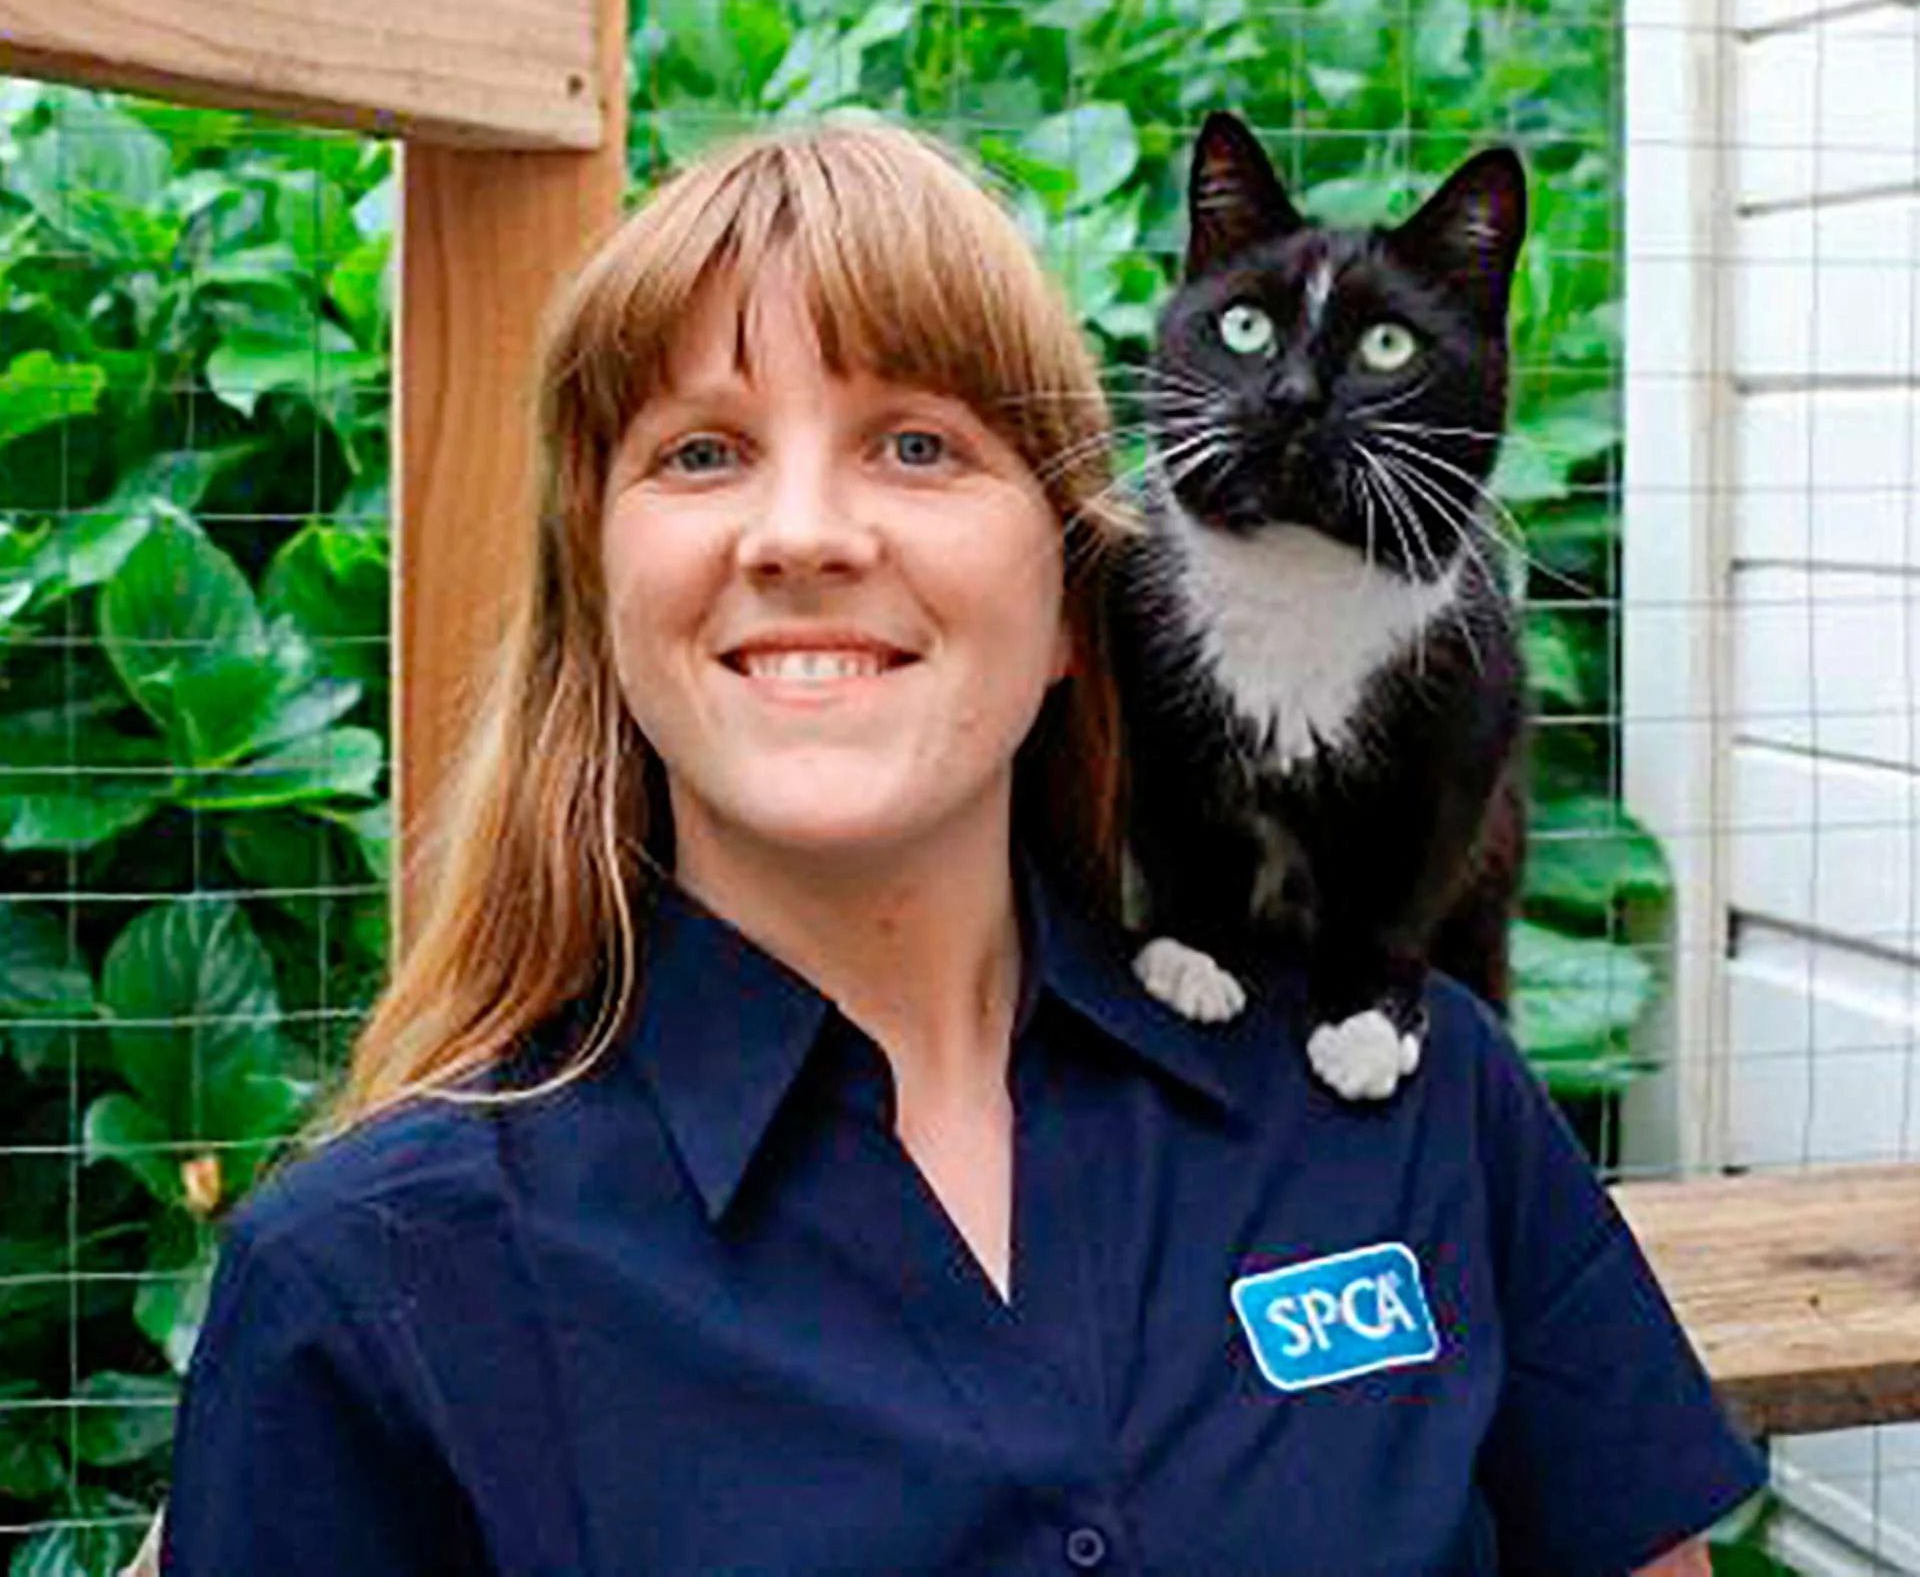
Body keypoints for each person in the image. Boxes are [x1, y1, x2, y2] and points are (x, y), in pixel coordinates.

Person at [157, 119, 1765, 1575]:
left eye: (917, 446)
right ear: (601, 588)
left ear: (1078, 596)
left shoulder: (1429, 1116)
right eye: (701, 452)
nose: (804, 534)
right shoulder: (371, 1286)